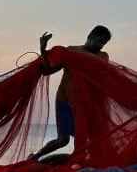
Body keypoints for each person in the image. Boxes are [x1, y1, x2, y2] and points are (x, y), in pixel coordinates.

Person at [30, 26, 112, 161]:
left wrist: (73, 56)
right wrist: (43, 50)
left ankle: (77, 161)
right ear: (90, 36)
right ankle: (35, 157)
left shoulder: (103, 56)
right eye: (99, 41)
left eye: (103, 43)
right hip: (65, 100)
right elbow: (47, 71)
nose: (100, 46)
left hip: (86, 105)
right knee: (63, 140)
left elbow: (99, 67)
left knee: (87, 140)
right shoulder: (71, 51)